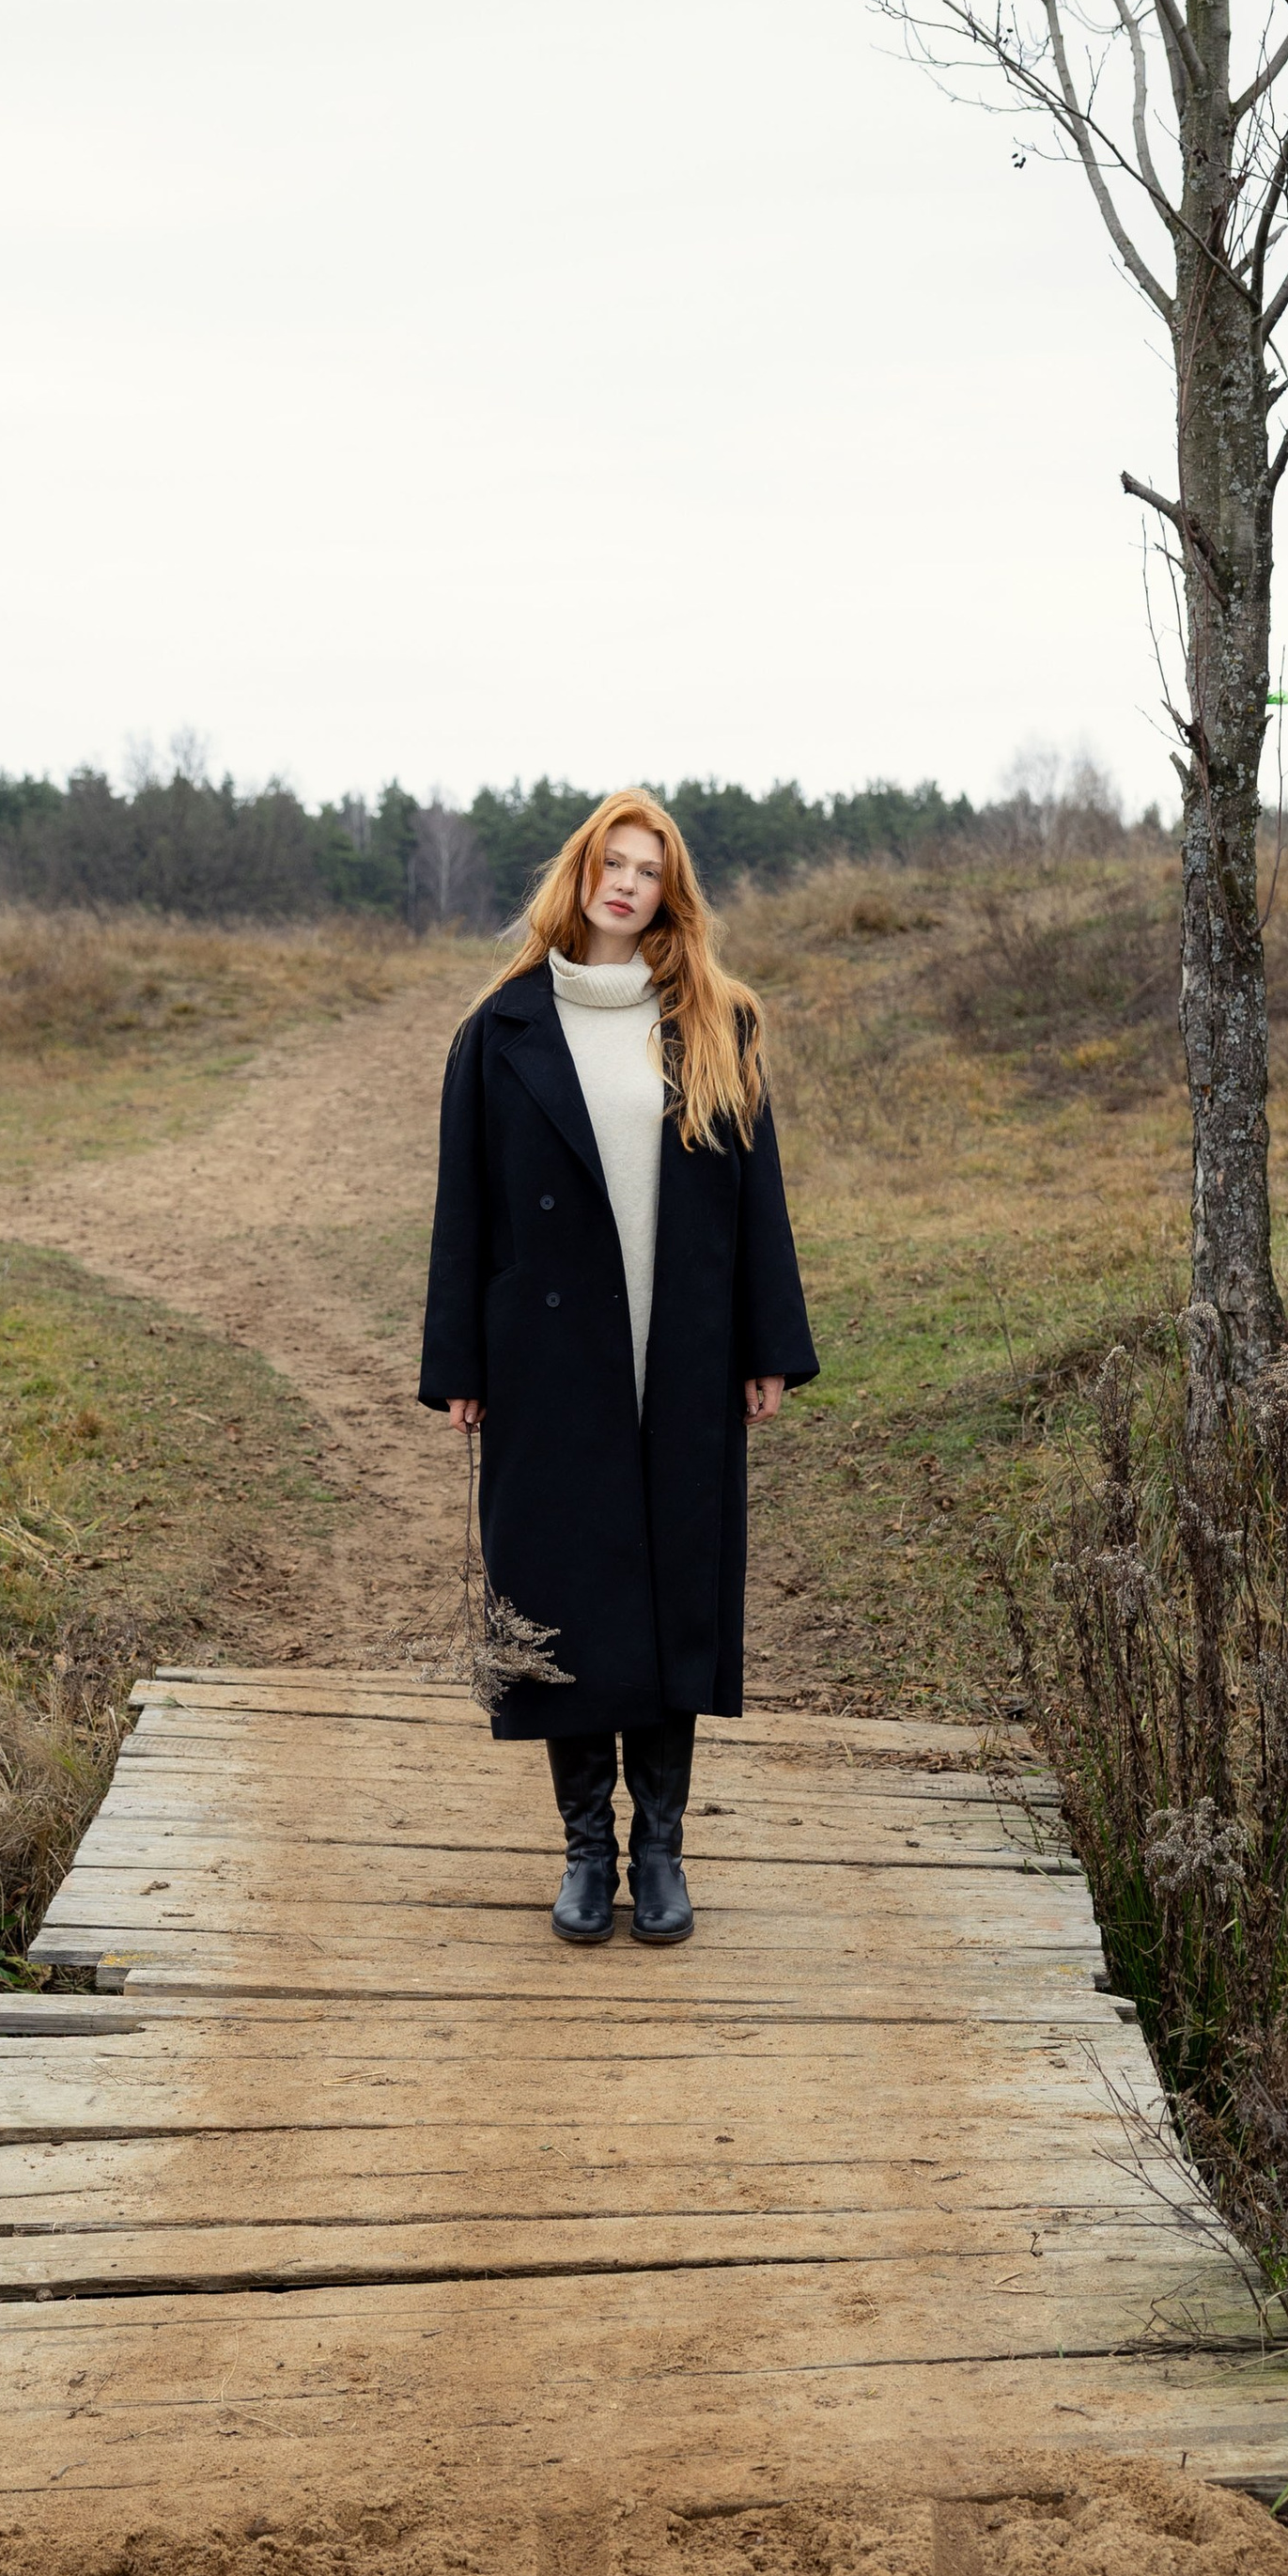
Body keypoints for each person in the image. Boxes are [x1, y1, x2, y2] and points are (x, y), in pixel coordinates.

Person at [417, 791, 818, 1946]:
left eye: (649, 868)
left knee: (671, 1596)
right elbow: (465, 1210)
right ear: (581, 872)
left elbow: (759, 1203)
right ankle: (586, 1850)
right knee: (570, 1598)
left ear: (668, 892)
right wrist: (459, 1362)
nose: (627, 882)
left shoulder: (717, 1021)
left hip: (679, 1350)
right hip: (551, 1360)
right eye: (612, 860)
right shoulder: (499, 1028)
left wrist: (764, 1348)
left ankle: (662, 1848)